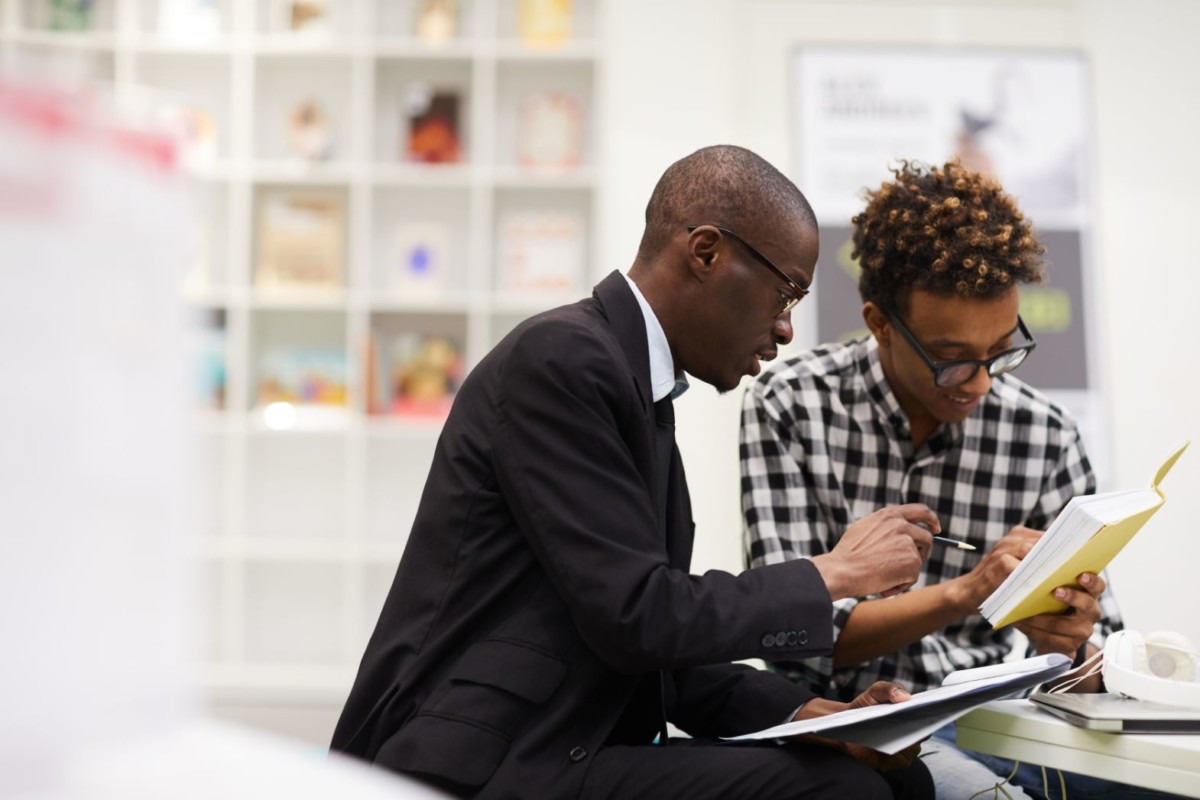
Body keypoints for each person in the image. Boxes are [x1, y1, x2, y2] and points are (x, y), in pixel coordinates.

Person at [330, 145, 941, 800]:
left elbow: (658, 654)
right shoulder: (561, 359)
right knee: (847, 794)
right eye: (786, 291)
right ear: (705, 252)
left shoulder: (631, 387)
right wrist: (834, 572)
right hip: (479, 760)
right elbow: (638, 617)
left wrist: (807, 717)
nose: (787, 328)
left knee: (898, 779)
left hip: (556, 746)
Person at [739, 160, 1182, 800]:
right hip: (860, 732)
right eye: (950, 362)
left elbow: (1099, 662)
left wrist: (1076, 640)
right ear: (879, 323)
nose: (980, 384)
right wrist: (970, 591)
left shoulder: (1045, 433)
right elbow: (794, 641)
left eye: (1002, 350)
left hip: (1017, 721)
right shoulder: (792, 407)